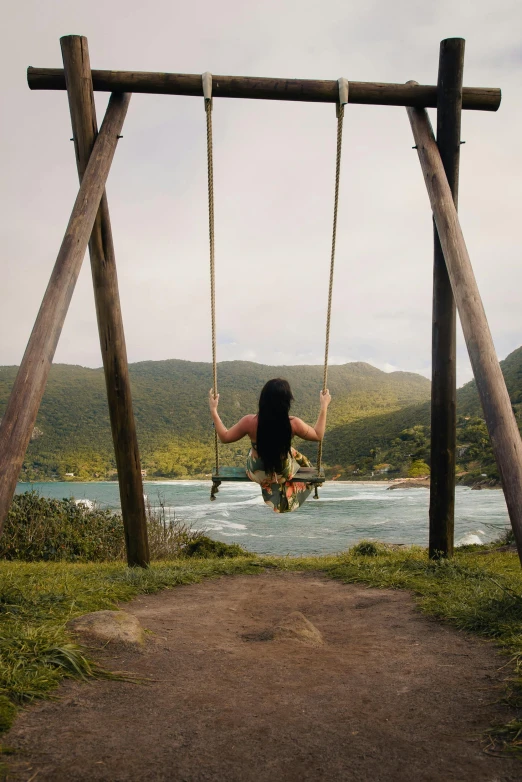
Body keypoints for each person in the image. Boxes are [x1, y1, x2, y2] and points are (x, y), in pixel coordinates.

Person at [208, 378, 332, 513]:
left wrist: (214, 410)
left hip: (258, 474)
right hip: (282, 474)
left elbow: (225, 437)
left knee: (253, 451)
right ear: (287, 401)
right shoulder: (293, 423)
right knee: (292, 452)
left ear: (262, 399)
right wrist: (324, 406)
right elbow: (318, 435)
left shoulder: (249, 421)